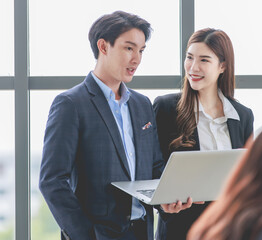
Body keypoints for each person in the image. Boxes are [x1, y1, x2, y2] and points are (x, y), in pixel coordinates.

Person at [39, 11, 190, 240]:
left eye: (141, 50)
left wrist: (165, 201)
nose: (136, 59)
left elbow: (154, 168)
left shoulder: (142, 105)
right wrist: (86, 235)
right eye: (129, 48)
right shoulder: (71, 104)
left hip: (142, 232)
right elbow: (52, 181)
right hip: (97, 234)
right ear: (103, 46)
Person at [153, 28, 254, 240]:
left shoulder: (242, 116)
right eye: (189, 58)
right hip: (180, 231)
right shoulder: (166, 108)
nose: (193, 67)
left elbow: (246, 176)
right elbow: (152, 168)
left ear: (223, 66)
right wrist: (165, 204)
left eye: (204, 60)